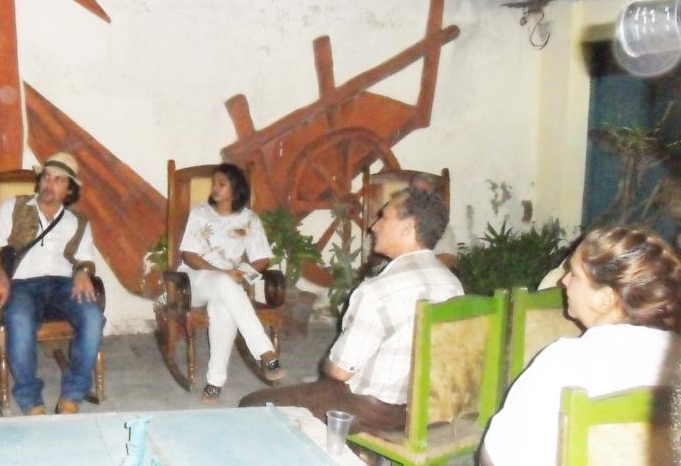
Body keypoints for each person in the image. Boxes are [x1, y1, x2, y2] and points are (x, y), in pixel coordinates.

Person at [239, 187, 463, 433]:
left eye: (383, 217)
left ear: (407, 227)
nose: (374, 226)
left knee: (252, 404)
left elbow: (340, 371)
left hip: (377, 410)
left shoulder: (378, 290)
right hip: (430, 408)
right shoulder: (452, 284)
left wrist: (329, 364)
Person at [482, 227, 681, 466]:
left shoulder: (565, 360)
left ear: (604, 299)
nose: (563, 280)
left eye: (574, 274)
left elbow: (500, 453)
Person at [0, 152, 104, 415]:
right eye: (47, 177)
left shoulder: (77, 221)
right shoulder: (14, 206)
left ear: (69, 189)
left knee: (93, 316)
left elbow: (86, 260)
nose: (49, 184)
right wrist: (1, 277)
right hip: (22, 284)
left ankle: (72, 395)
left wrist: (82, 271)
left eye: (59, 180)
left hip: (63, 284)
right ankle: (30, 399)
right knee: (20, 320)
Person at [176, 163, 284, 402]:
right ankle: (265, 352)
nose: (214, 188)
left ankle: (214, 382)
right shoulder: (200, 213)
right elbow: (189, 256)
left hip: (227, 285)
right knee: (225, 284)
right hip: (195, 280)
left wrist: (243, 276)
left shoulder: (249, 219)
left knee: (222, 308)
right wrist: (223, 273)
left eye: (221, 184)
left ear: (235, 189)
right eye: (214, 183)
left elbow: (262, 259)